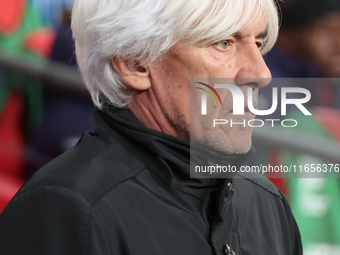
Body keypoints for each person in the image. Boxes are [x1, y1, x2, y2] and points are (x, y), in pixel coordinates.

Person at [0, 0, 302, 254]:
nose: (261, 73)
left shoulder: (267, 204)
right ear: (134, 63)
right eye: (223, 42)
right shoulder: (66, 211)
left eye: (258, 43)